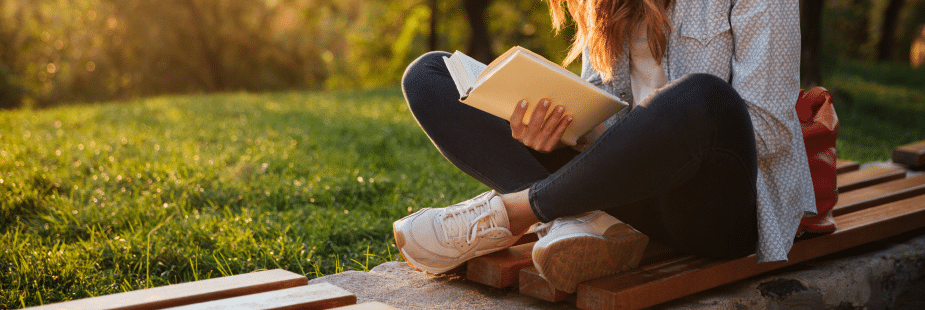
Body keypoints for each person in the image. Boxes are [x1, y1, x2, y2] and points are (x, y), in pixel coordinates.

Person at [393, 0, 816, 293]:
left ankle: (516, 211)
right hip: (622, 191)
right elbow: (598, 101)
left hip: (711, 207)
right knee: (430, 75)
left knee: (702, 97)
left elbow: (768, 125)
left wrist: (646, 139)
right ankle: (581, 219)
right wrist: (559, 127)